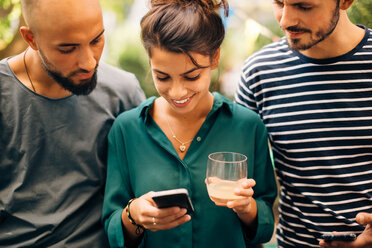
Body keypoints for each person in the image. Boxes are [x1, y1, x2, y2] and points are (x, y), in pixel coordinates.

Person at [102, 0, 278, 247]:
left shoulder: (248, 126)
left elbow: (265, 224)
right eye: (162, 76)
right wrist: (134, 215)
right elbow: (112, 228)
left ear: (215, 57)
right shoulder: (127, 129)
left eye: (192, 76)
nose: (177, 92)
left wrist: (247, 207)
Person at [0, 0, 145, 247]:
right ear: (31, 39)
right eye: (68, 49)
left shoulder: (123, 93)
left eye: (97, 40)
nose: (89, 63)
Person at [235, 0, 372, 247]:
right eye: (279, 3)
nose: (285, 20)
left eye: (304, 7)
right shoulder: (258, 74)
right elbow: (241, 183)